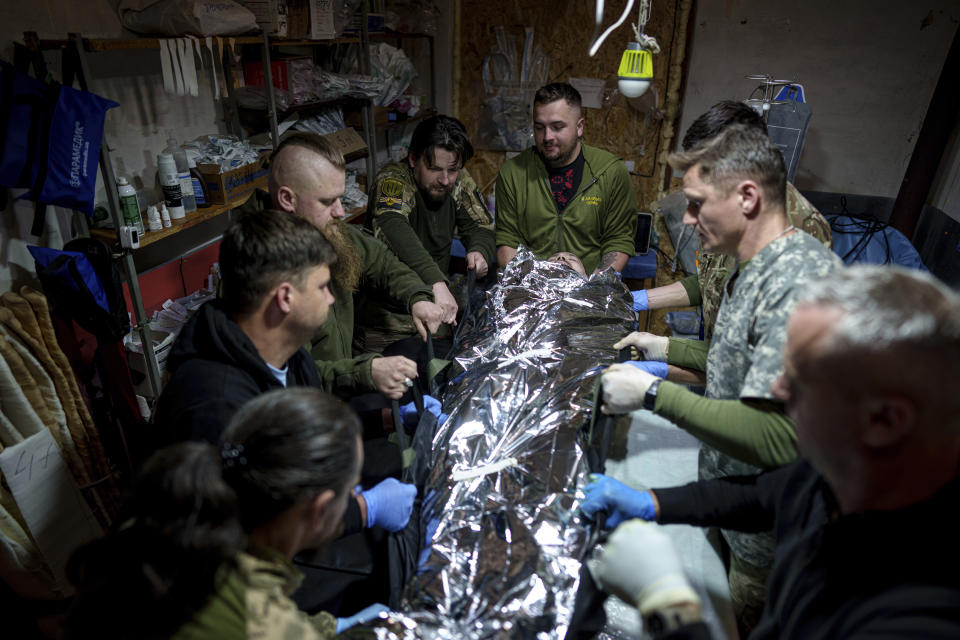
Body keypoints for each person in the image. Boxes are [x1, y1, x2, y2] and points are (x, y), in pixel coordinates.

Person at [584, 265, 960, 639]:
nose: (776, 388)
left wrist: (668, 606)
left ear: (885, 420)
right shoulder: (850, 470)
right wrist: (649, 502)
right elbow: (765, 496)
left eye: (799, 378)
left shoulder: (920, 612)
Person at [597, 124, 840, 631]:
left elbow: (780, 439)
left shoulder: (796, 280)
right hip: (732, 502)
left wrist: (655, 393)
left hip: (768, 535)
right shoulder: (748, 266)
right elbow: (737, 361)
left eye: (696, 203)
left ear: (746, 197)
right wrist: (666, 347)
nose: (686, 221)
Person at [153, 209, 414, 535]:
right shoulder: (214, 405)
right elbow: (248, 527)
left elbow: (300, 439)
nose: (331, 298)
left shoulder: (292, 356)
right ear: (286, 297)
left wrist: (388, 420)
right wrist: (361, 511)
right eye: (322, 287)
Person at [64, 388, 394, 639]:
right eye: (351, 488)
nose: (354, 495)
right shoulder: (262, 622)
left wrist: (326, 626)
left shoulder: (175, 520)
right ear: (320, 509)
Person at [250, 131, 446, 399]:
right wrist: (365, 372)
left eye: (340, 198)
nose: (341, 212)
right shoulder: (259, 272)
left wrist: (416, 297)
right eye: (327, 201)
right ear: (287, 199)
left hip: (341, 392)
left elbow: (384, 264)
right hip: (305, 411)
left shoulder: (326, 230)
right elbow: (290, 379)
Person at [631, 100, 832, 339]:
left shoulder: (798, 235)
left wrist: (662, 360)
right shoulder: (726, 218)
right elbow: (711, 283)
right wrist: (638, 300)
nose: (688, 219)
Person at [364, 115, 495, 352]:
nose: (445, 180)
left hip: (437, 314)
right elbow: (392, 224)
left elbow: (481, 225)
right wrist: (435, 281)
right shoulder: (393, 181)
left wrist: (479, 249)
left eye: (452, 170)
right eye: (434, 169)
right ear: (413, 159)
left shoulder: (458, 181)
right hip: (389, 321)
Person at [495, 82, 638, 275]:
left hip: (588, 287)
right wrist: (530, 289)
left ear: (579, 127)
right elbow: (507, 240)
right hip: (533, 290)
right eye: (539, 127)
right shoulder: (513, 173)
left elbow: (618, 241)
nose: (547, 137)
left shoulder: (611, 172)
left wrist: (592, 288)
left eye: (557, 127)